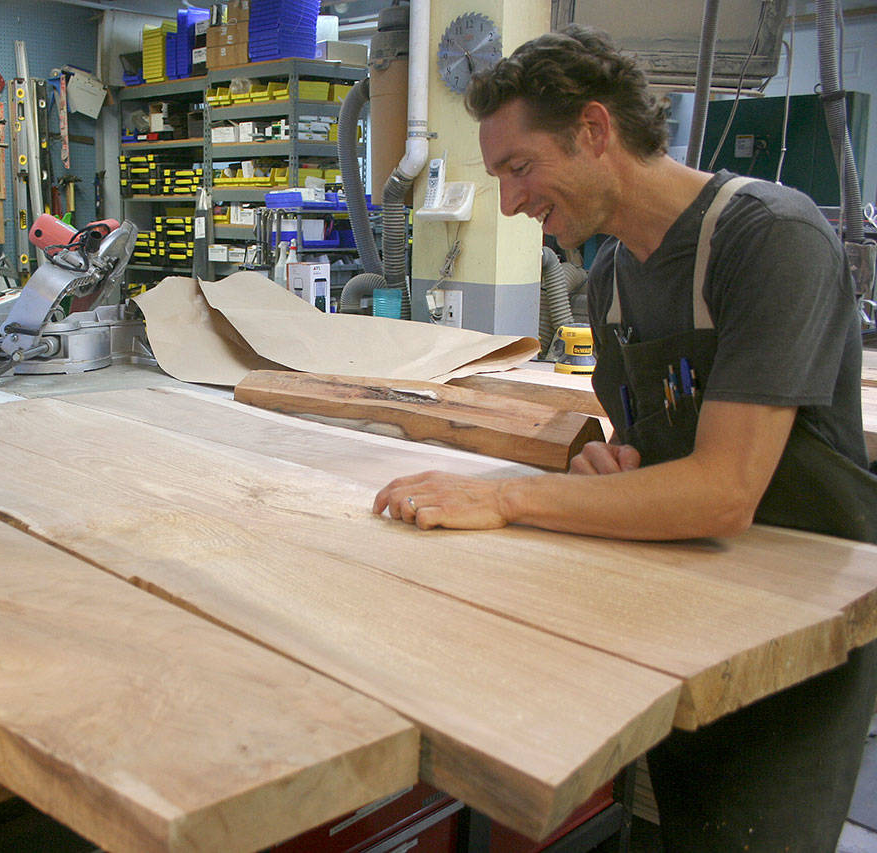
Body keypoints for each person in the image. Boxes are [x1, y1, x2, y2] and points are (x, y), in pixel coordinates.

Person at [371, 25, 877, 851]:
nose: (511, 202)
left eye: (519, 167)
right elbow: (648, 445)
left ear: (596, 130)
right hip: (683, 611)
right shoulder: (610, 280)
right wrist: (612, 463)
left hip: (797, 637)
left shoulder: (766, 238)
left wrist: (509, 498)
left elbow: (723, 492)